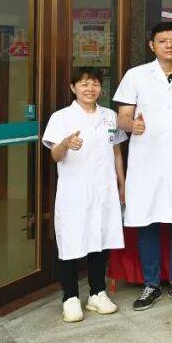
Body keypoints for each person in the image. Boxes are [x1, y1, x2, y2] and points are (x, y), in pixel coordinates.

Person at [114, 21, 172, 311]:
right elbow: (122, 116)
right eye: (163, 41)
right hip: (146, 162)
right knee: (147, 221)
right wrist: (131, 125)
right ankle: (151, 284)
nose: (169, 45)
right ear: (152, 45)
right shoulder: (136, 75)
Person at [43, 68, 126, 322]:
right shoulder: (61, 117)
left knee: (101, 239)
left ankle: (97, 293)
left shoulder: (110, 116)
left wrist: (122, 183)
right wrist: (65, 144)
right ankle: (69, 297)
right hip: (75, 191)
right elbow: (54, 155)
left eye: (95, 84)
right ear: (73, 88)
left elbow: (116, 152)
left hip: (104, 189)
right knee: (70, 241)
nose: (90, 89)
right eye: (84, 84)